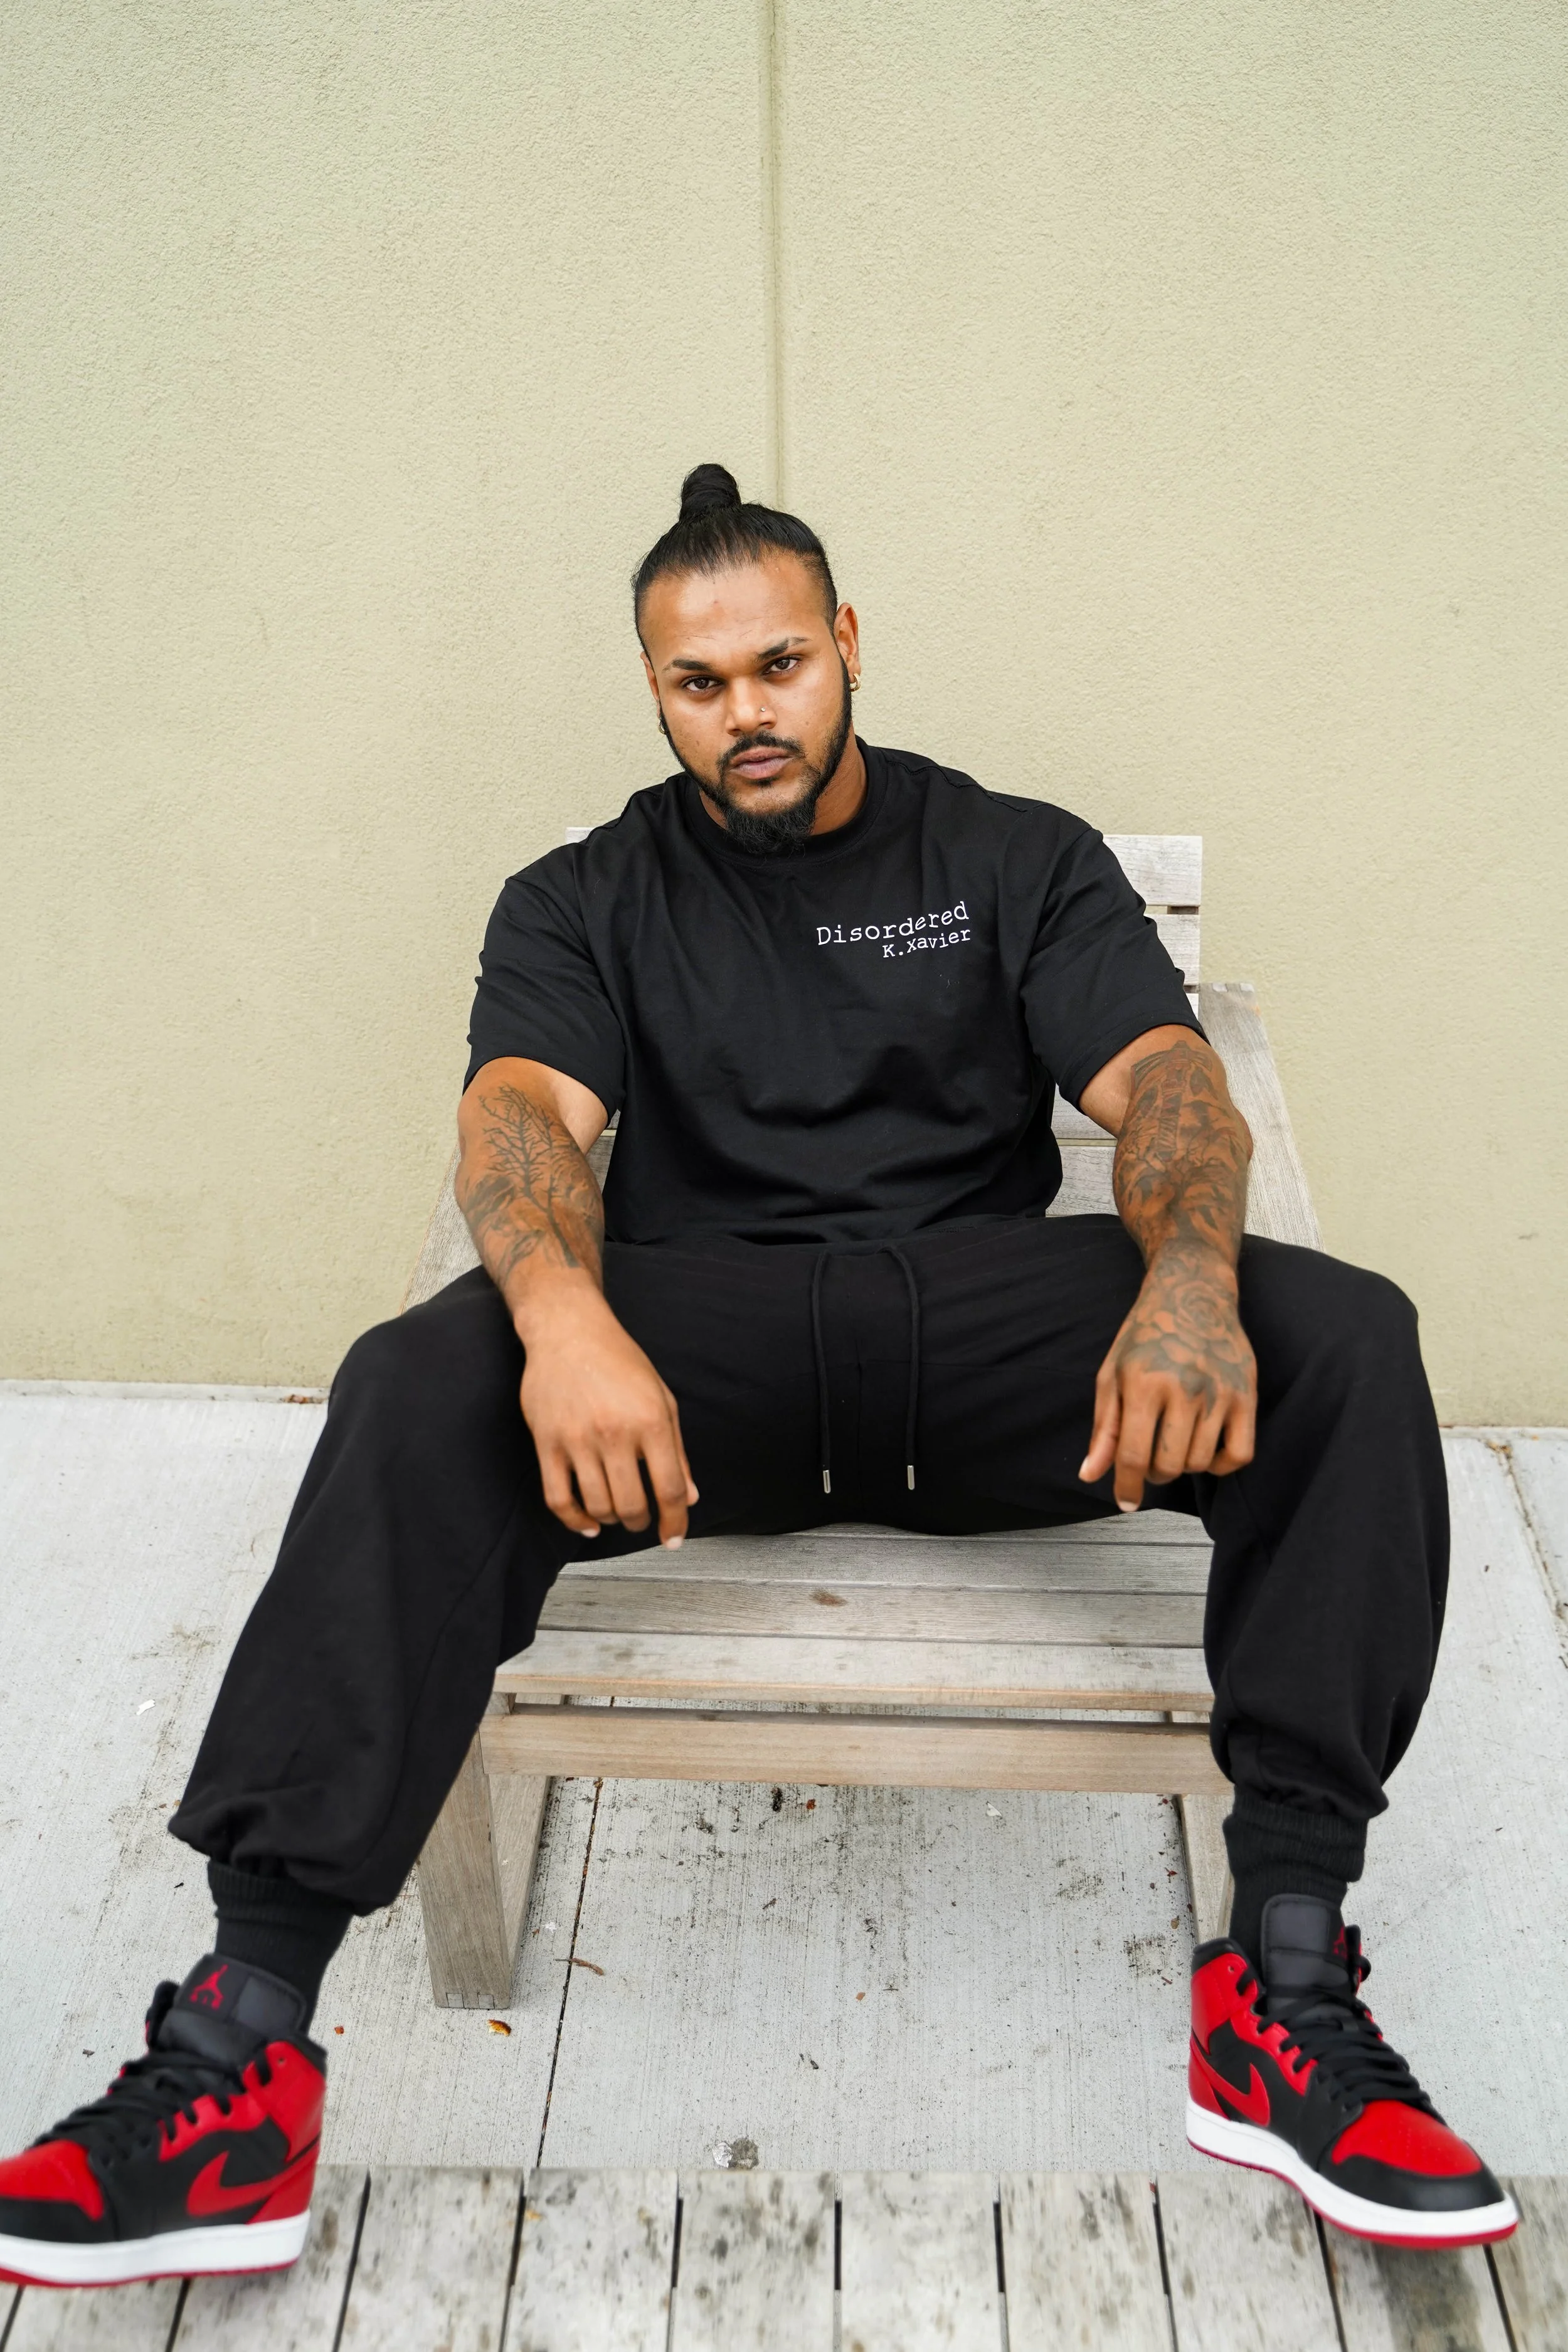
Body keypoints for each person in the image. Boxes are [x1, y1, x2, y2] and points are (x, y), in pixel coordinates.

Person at [0, 466, 1515, 2289]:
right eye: (699, 681)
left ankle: (1274, 1985)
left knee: (1347, 1336)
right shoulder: (580, 897)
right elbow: (519, 1125)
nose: (747, 711)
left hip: (981, 1339)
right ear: (654, 691)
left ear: (847, 647)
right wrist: (563, 1325)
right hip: (691, 1355)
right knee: (410, 1381)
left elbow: (1164, 1082)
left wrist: (1188, 1275)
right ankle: (239, 2063)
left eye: (779, 664)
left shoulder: (1009, 853)